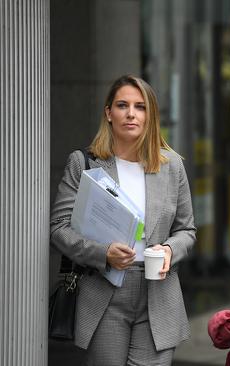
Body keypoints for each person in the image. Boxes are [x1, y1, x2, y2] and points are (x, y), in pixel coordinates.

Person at [50, 75, 196, 365]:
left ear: (150, 114)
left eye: (140, 106)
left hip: (160, 293)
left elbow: (186, 230)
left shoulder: (172, 167)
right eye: (122, 105)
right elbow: (59, 229)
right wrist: (103, 253)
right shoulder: (84, 163)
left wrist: (169, 250)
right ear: (108, 113)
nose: (131, 113)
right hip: (105, 292)